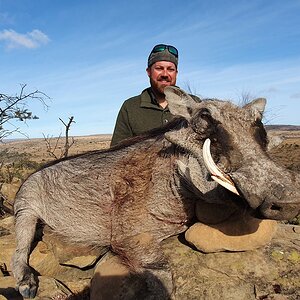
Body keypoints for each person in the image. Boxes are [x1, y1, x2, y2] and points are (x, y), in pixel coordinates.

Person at [110, 44, 182, 146]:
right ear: (148, 72)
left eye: (170, 69)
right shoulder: (130, 107)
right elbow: (116, 153)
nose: (165, 74)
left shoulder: (195, 105)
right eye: (159, 68)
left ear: (176, 73)